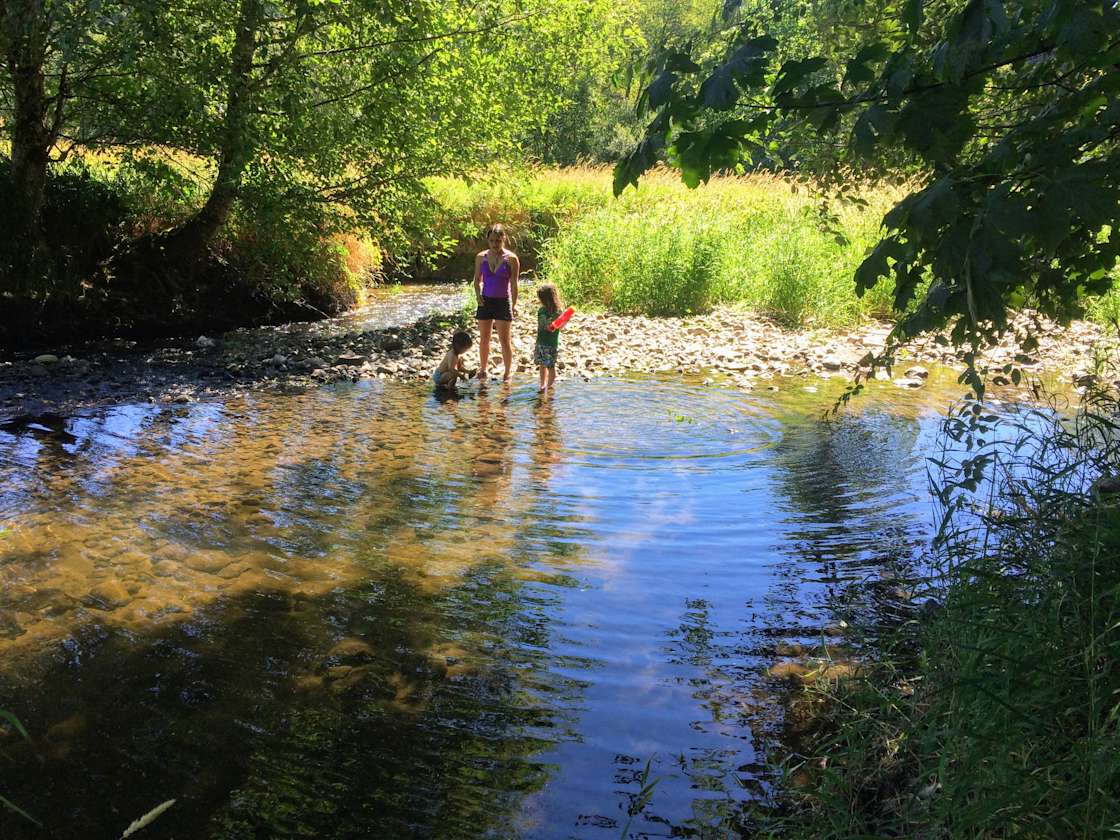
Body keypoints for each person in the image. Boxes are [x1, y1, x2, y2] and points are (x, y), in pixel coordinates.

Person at [473, 223, 519, 382]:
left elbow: (514, 283)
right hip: (485, 301)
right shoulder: (481, 257)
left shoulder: (511, 259)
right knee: (484, 337)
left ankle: (507, 372)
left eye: (498, 241)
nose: (495, 244)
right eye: (492, 241)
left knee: (504, 340)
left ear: (504, 239)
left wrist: (513, 304)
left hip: (502, 301)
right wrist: (478, 295)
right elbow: (476, 280)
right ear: (488, 240)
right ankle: (483, 369)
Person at [534, 283, 563, 391]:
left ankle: (546, 386)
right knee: (549, 366)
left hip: (543, 342)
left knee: (545, 365)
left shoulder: (545, 311)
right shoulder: (557, 312)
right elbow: (548, 326)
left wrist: (552, 325)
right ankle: (547, 386)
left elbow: (543, 325)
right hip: (549, 343)